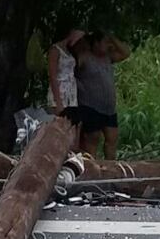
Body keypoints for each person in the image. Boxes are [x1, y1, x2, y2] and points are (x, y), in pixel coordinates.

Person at [76, 30, 130, 160]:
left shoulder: (108, 58)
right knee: (92, 140)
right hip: (90, 106)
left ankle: (110, 170)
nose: (109, 45)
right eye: (105, 43)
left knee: (112, 139)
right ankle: (90, 170)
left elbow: (126, 53)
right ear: (95, 43)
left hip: (109, 109)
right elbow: (73, 62)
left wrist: (112, 37)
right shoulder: (85, 57)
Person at [47, 26, 85, 113]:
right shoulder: (55, 50)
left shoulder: (70, 51)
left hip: (70, 94)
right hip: (60, 93)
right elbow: (53, 77)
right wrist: (58, 101)